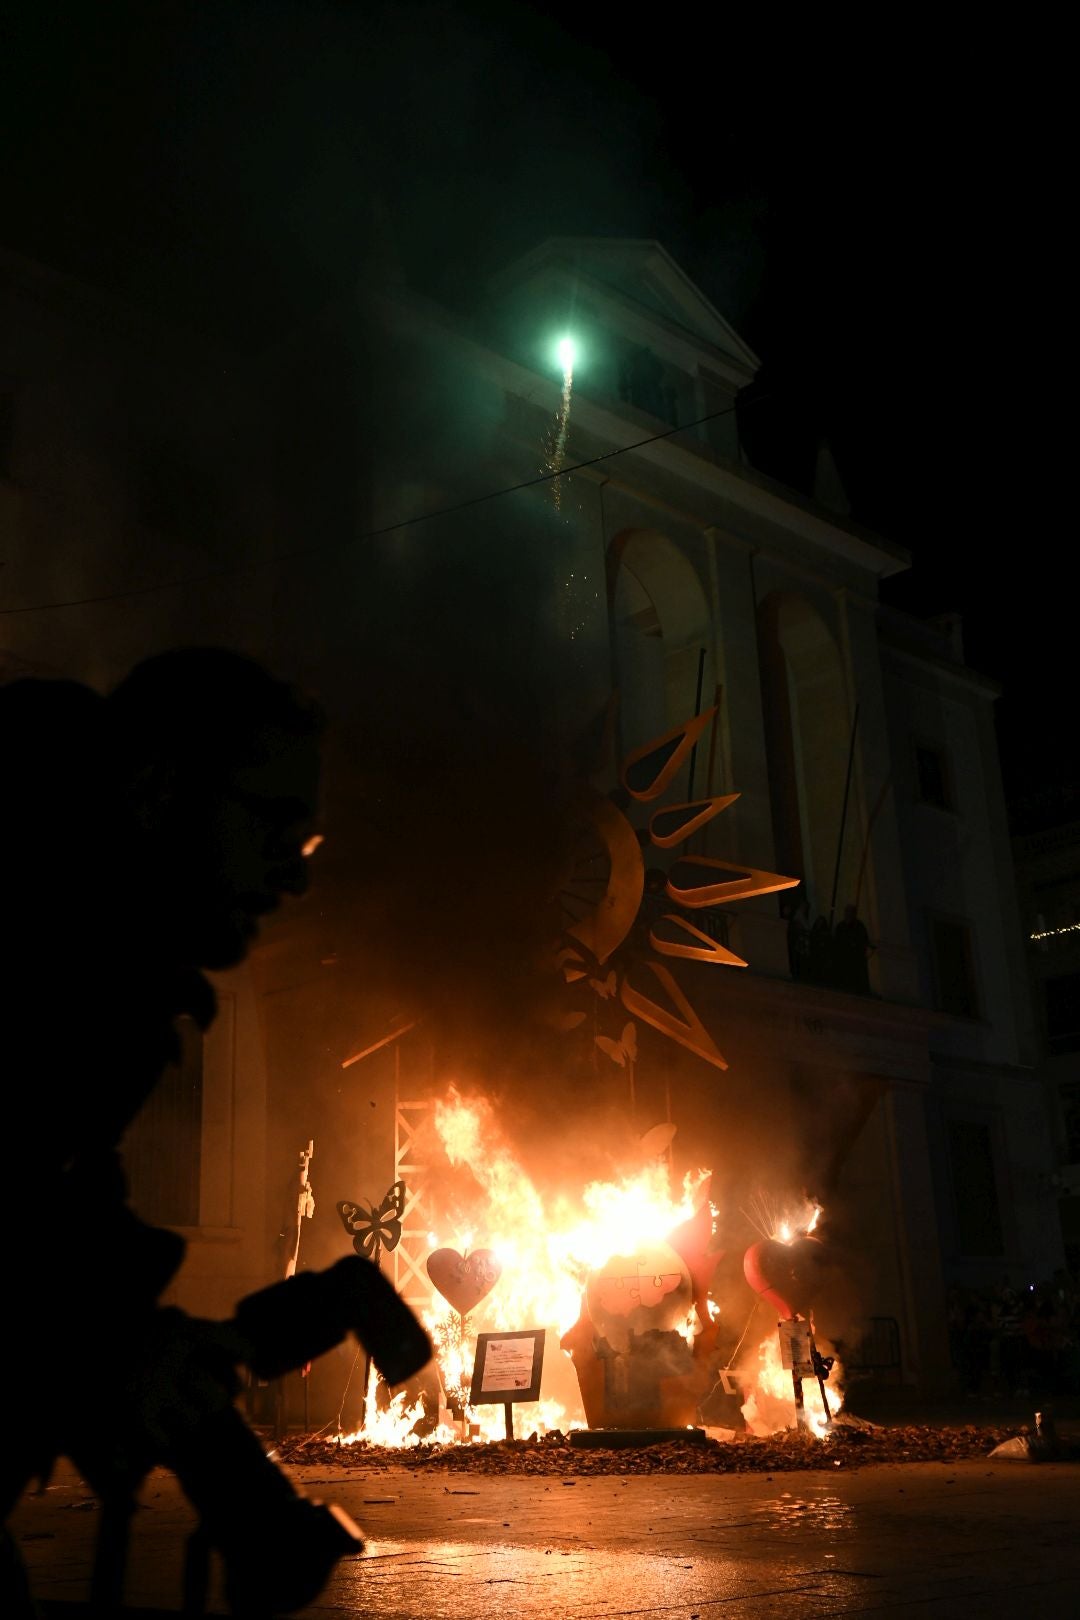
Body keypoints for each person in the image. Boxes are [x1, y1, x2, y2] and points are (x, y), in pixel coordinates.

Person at [0, 648, 379, 1614]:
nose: (293, 881)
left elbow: (61, 1215)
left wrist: (149, 1342)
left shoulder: (94, 970)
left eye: (312, 846)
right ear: (157, 787)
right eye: (273, 829)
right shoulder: (42, 969)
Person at [832, 903, 874, 994]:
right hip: (844, 958)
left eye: (850, 912)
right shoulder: (841, 926)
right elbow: (837, 942)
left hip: (856, 958)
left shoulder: (859, 926)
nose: (848, 914)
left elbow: (863, 940)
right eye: (847, 912)